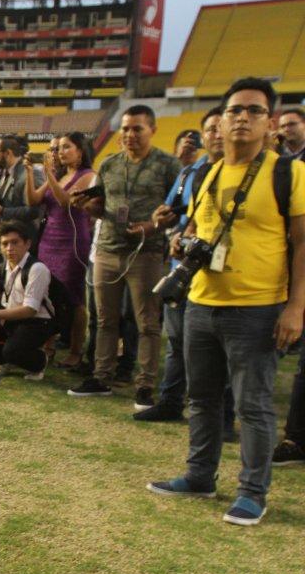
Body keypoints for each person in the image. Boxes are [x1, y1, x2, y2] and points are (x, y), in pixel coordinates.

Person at [148, 77, 305, 527]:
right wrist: (183, 242)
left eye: (254, 111)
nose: (242, 118)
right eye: (235, 109)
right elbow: (201, 229)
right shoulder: (207, 171)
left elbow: (301, 244)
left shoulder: (289, 173)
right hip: (201, 302)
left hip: (257, 307)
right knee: (202, 398)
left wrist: (295, 308)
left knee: (253, 404)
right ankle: (200, 476)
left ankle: (253, 492)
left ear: (271, 123)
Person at [68, 106, 179, 405]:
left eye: (137, 129)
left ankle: (144, 384)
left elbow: (179, 211)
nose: (130, 135)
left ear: (152, 130)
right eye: (126, 129)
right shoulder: (109, 164)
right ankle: (102, 376)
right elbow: (100, 205)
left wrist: (152, 226)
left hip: (146, 252)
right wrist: (87, 206)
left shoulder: (169, 165)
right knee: (105, 319)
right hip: (107, 248)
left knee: (147, 322)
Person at [137, 108, 236, 427]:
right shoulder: (194, 173)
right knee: (178, 341)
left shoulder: (250, 172)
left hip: (227, 276)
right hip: (185, 269)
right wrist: (177, 233)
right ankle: (170, 402)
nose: (216, 134)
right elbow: (185, 219)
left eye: (221, 127)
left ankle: (225, 414)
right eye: (209, 129)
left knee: (224, 351)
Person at [24, 133, 96, 368]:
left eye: (67, 147)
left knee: (74, 299)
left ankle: (75, 350)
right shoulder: (60, 175)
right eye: (59, 148)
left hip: (72, 243)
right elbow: (33, 200)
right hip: (49, 241)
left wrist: (48, 174)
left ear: (81, 151)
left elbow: (66, 202)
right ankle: (48, 345)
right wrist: (29, 172)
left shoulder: (87, 176)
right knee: (48, 293)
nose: (61, 152)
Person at [0, 221, 57, 380]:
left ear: (27, 244)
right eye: (5, 244)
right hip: (9, 317)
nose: (9, 248)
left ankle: (39, 362)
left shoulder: (37, 269)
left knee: (12, 350)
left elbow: (30, 309)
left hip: (38, 321)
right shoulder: (0, 268)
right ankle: (6, 361)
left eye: (15, 242)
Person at [0, 135, 44, 267]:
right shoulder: (1, 174)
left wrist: (2, 211)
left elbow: (33, 211)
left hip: (19, 242)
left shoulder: (30, 172)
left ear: (8, 153)